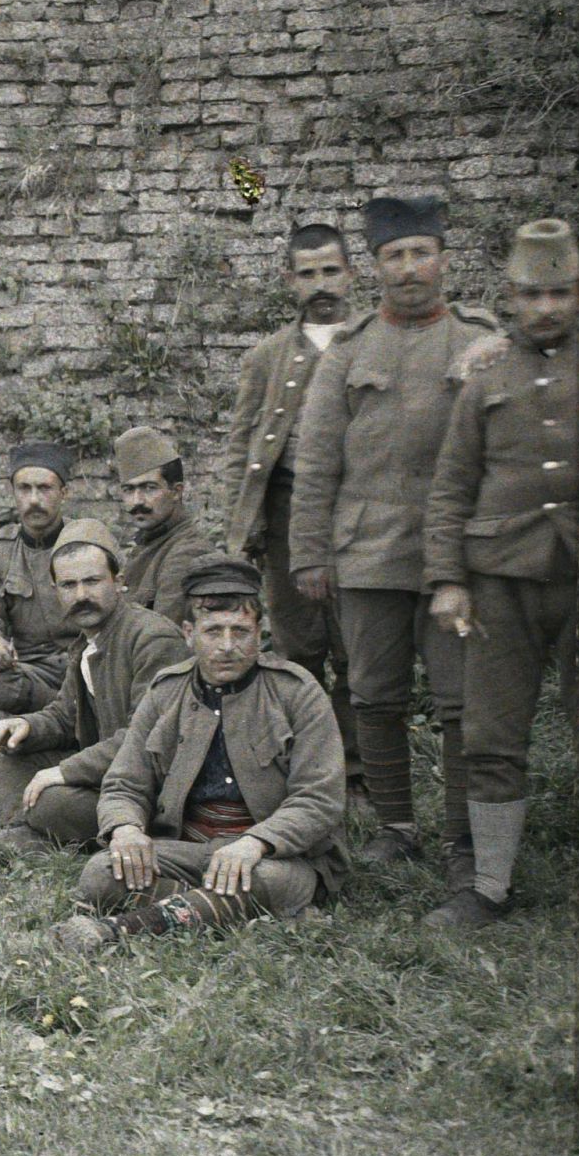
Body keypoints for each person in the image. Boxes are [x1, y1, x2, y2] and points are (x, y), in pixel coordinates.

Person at [290, 194, 499, 873]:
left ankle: (465, 839)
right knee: (374, 695)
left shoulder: (480, 340)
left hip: (456, 564)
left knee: (462, 703)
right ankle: (396, 828)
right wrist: (310, 553)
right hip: (369, 555)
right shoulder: (349, 352)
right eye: (393, 256)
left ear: (442, 258)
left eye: (420, 253)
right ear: (375, 267)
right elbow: (316, 461)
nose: (408, 268)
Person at [48, 555, 348, 955]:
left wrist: (255, 843)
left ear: (260, 633)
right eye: (213, 631)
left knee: (272, 883)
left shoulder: (297, 692)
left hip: (270, 857)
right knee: (101, 874)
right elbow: (125, 782)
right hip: (185, 849)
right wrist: (126, 830)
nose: (227, 646)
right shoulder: (166, 691)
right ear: (189, 633)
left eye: (240, 631)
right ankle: (222, 908)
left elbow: (319, 798)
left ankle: (122, 928)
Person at [420, 218, 579, 926]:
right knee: (490, 735)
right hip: (498, 581)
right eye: (532, 293)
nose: (546, 306)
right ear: (511, 296)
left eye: (560, 292)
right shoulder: (484, 373)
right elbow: (452, 485)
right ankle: (488, 885)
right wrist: (449, 579)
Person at [218, 221, 360, 799]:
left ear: (351, 273)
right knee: (300, 647)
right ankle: (305, 768)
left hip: (356, 515)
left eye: (331, 270)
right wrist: (240, 524)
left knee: (360, 650)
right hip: (285, 517)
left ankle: (360, 770)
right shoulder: (268, 356)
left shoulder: (372, 340)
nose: (321, 284)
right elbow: (241, 444)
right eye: (308, 273)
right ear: (289, 280)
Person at [0, 519, 190, 855]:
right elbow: (67, 716)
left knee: (51, 802)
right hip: (109, 767)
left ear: (119, 581)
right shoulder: (86, 641)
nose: (81, 596)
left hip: (148, 789)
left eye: (92, 582)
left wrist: (63, 772)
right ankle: (26, 830)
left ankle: (45, 830)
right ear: (55, 591)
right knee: (13, 753)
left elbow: (146, 741)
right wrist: (27, 725)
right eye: (68, 585)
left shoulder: (152, 638)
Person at [0, 440, 80, 721]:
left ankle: (42, 717)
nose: (34, 500)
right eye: (25, 489)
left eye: (45, 488)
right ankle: (72, 715)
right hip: (30, 671)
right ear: (13, 493)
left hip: (84, 663)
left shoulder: (84, 542)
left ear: (64, 493)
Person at [115, 425, 215, 628]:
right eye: (129, 490)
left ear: (176, 491)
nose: (137, 501)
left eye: (149, 488)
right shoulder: (149, 545)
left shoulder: (186, 553)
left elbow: (163, 638)